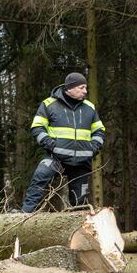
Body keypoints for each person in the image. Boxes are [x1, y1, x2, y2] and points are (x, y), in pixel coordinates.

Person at [22, 72, 105, 213]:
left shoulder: (90, 107)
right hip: (55, 157)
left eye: (85, 88)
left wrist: (94, 147)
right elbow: (37, 127)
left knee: (80, 202)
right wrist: (49, 144)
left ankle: (79, 228)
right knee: (40, 178)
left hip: (82, 161)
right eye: (81, 87)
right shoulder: (49, 104)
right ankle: (24, 215)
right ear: (70, 88)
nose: (85, 91)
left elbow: (99, 130)